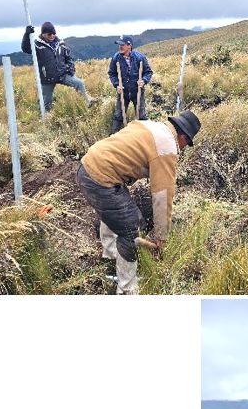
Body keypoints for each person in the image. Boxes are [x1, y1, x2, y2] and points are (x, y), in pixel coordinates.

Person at [76, 111, 201, 295]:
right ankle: (127, 288)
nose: (183, 149)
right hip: (100, 179)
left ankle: (110, 256)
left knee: (114, 212)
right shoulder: (167, 148)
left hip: (88, 166)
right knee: (129, 228)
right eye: (186, 144)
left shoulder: (151, 125)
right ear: (183, 137)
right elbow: (163, 196)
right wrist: (161, 237)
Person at [20, 21, 92, 110]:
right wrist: (27, 34)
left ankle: (88, 103)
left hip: (63, 75)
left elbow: (68, 58)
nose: (52, 36)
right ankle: (46, 120)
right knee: (46, 103)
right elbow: (25, 48)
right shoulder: (37, 45)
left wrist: (70, 68)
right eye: (49, 34)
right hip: (47, 79)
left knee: (79, 83)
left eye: (54, 33)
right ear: (43, 34)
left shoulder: (61, 44)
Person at [108, 37, 153, 133]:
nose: (120, 47)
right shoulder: (116, 58)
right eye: (119, 45)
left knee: (141, 116)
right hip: (123, 92)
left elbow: (148, 72)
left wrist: (144, 81)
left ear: (129, 46)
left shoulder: (140, 57)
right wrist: (117, 85)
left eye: (122, 45)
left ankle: (144, 136)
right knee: (118, 115)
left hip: (137, 91)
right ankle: (114, 136)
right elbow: (112, 73)